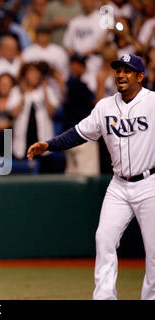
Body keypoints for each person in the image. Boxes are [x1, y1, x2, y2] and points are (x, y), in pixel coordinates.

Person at [27, 54, 155, 300]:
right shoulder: (105, 106)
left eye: (128, 71)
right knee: (104, 238)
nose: (121, 74)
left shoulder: (152, 102)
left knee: (153, 251)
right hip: (119, 185)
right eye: (118, 70)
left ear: (140, 76)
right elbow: (79, 133)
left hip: (149, 183)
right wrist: (50, 145)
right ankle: (104, 297)